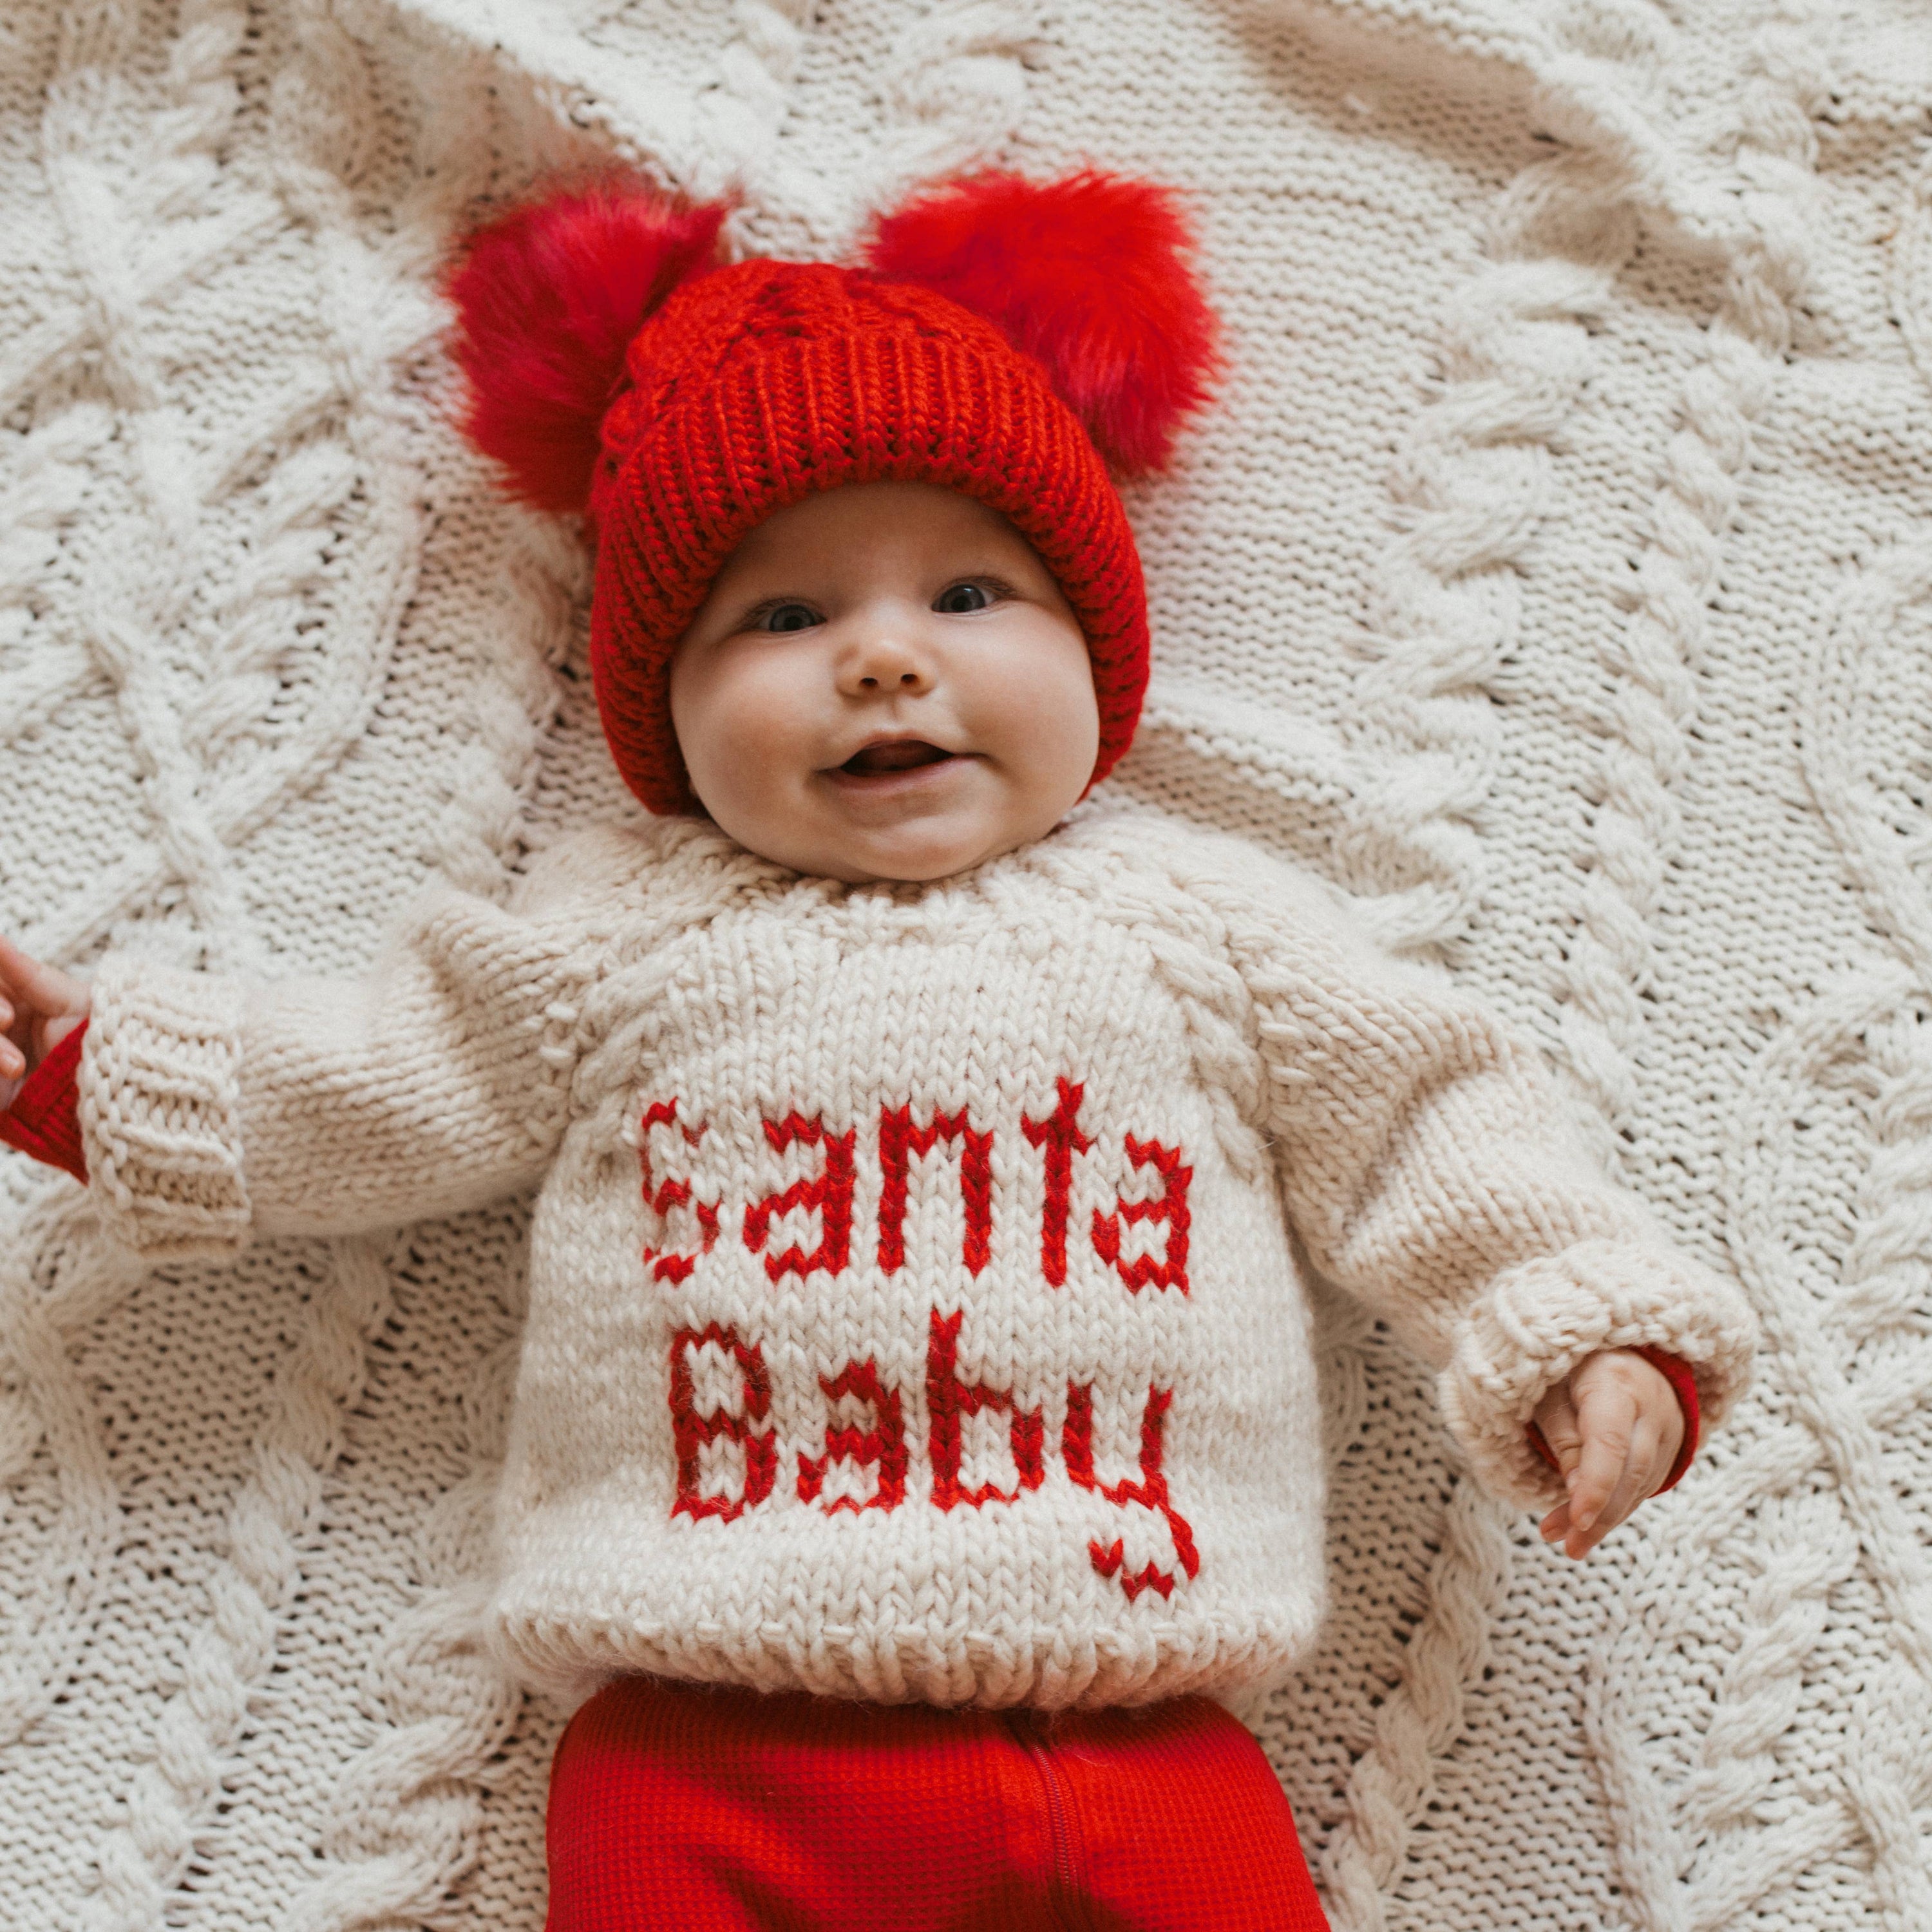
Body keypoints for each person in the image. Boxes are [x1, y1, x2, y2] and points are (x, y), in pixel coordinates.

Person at [0, 171, 1756, 1931]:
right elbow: (389, 1073)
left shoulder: (1213, 933)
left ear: (1098, 651)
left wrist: (1579, 1324)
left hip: (1142, 1737)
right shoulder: (616, 938)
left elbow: (1428, 1119)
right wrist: (127, 1075)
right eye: (781, 619)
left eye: (972, 594)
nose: (886, 663)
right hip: (705, 1748)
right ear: (664, 712)